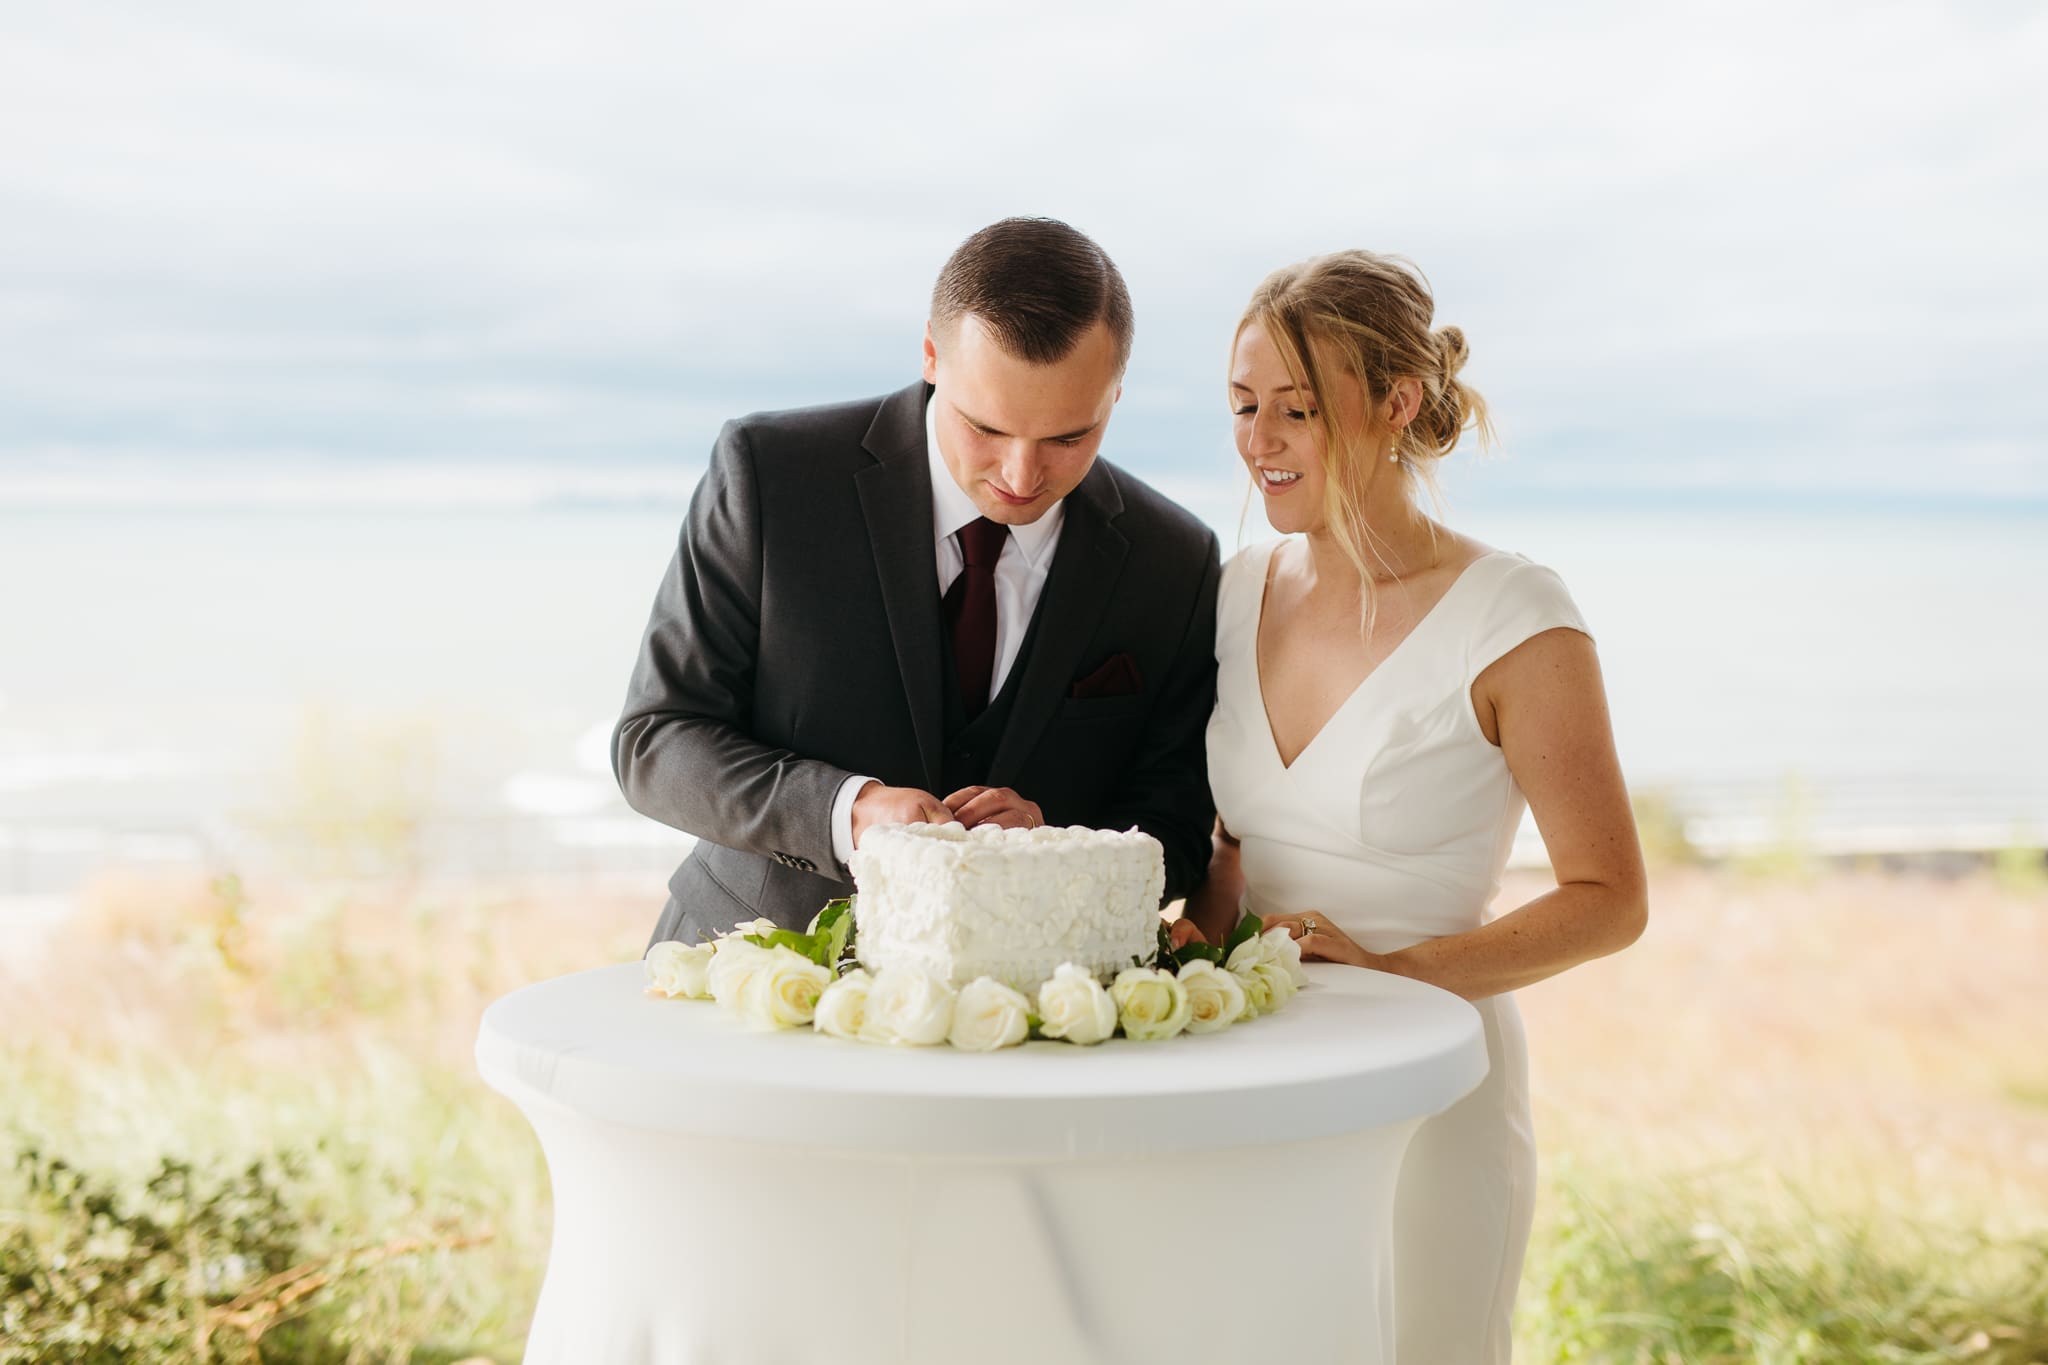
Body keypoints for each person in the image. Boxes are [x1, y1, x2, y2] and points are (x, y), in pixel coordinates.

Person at [1176, 251, 1648, 1361]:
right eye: (1242, 407)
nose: (1258, 441)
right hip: (1254, 1074)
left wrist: (1397, 974)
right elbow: (1230, 850)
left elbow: (1608, 899)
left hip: (1431, 1081)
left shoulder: (1512, 615)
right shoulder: (1230, 591)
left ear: (1394, 403)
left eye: (1294, 409)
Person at [615, 217, 1220, 947]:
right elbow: (657, 741)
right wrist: (849, 810)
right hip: (743, 970)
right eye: (986, 428)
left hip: (1023, 1020)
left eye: (1068, 437)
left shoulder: (1173, 559)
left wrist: (1056, 842)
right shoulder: (771, 476)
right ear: (932, 354)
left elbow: (1180, 833)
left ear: (1115, 396)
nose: (1022, 475)